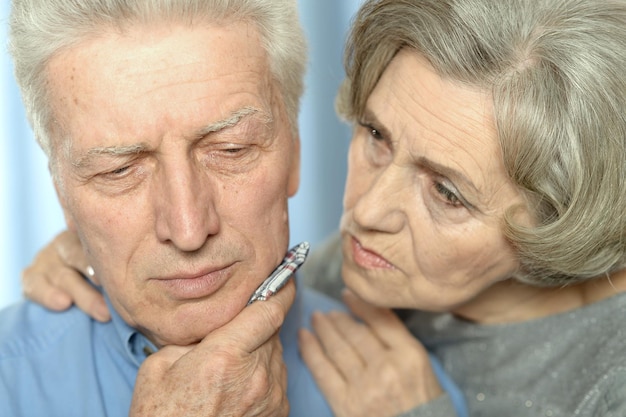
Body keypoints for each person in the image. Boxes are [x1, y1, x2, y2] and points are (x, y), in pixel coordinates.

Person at [23, 0, 626, 415]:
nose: (365, 210)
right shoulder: (343, 269)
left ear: (559, 227)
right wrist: (94, 236)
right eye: (376, 136)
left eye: (445, 192)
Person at [0, 0, 338, 416]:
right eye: (119, 170)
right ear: (62, 193)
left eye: (231, 150)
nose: (188, 229)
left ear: (295, 154)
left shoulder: (407, 388)